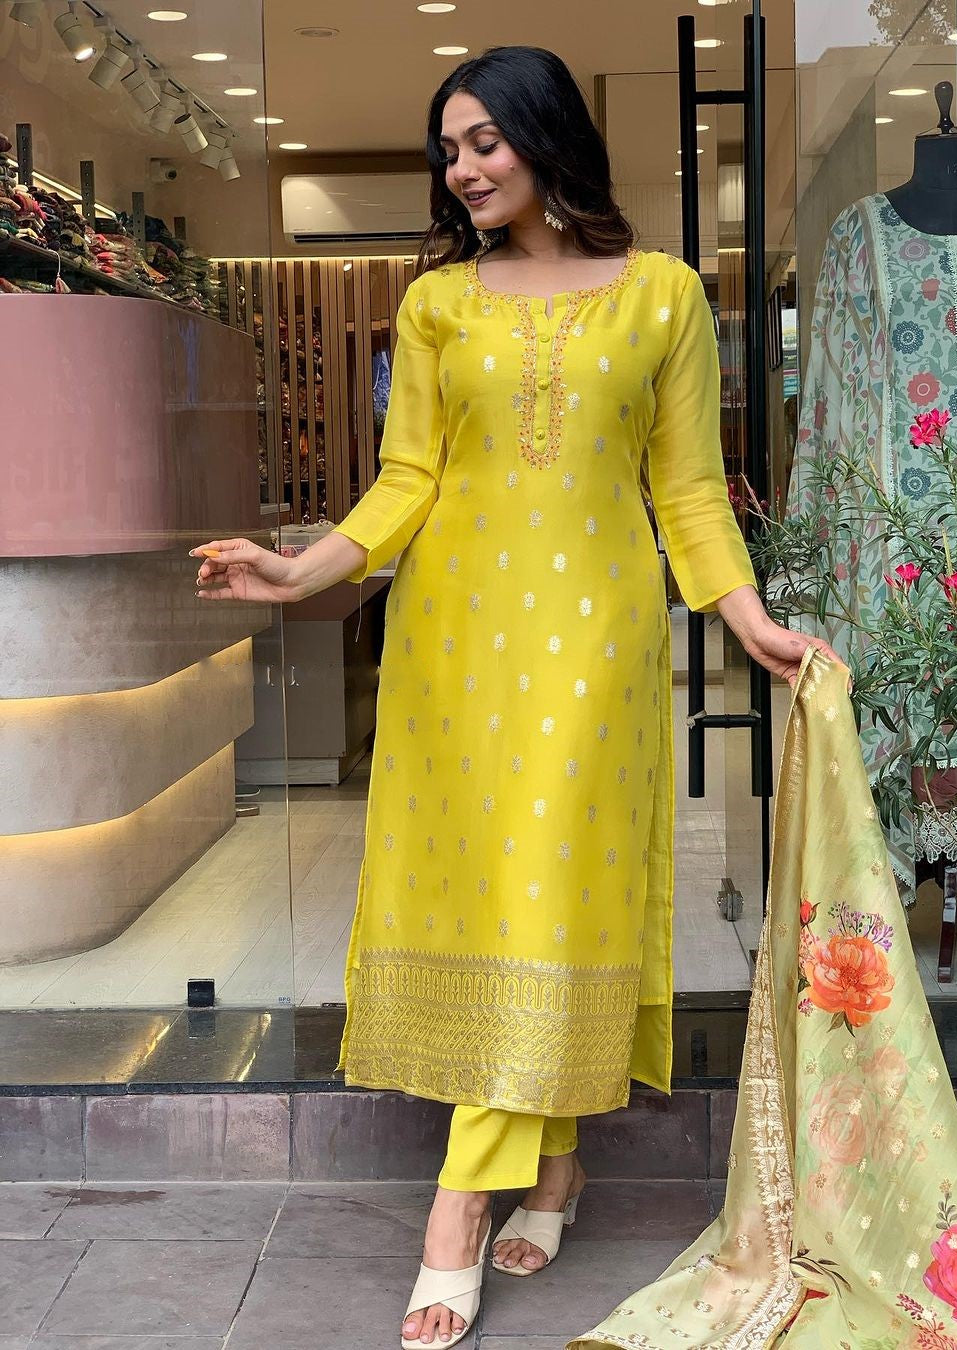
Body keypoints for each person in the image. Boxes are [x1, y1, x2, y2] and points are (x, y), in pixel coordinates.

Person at [192, 45, 837, 1350]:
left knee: (552, 882)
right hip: (453, 648)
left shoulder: (661, 296)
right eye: (451, 147)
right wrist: (301, 565)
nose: (465, 167)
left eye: (486, 139)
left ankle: (454, 1213)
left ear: (547, 137)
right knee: (501, 899)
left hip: (592, 648)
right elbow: (408, 481)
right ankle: (551, 1168)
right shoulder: (438, 305)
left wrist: (747, 615)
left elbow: (688, 491)